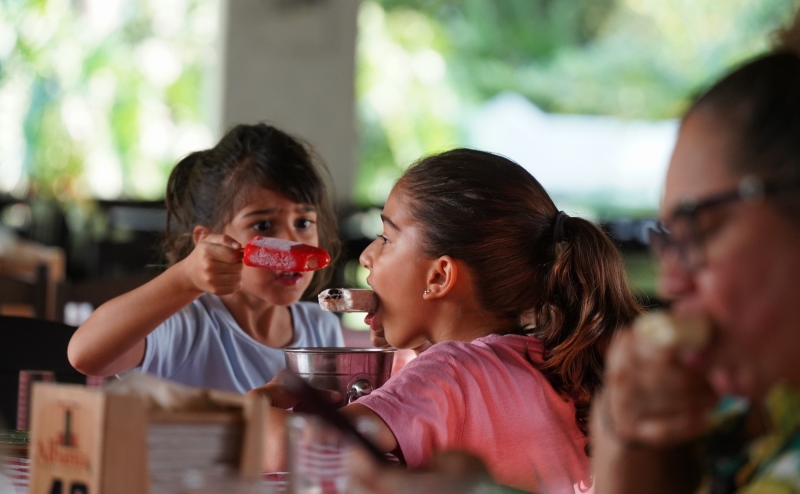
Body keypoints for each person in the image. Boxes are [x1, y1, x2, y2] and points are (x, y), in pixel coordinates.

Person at [257, 148, 642, 493]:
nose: (367, 256)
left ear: (439, 277)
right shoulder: (555, 360)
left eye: (387, 238)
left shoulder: (446, 374)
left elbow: (307, 450)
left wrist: (256, 408)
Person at [590, 11, 800, 493]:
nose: (670, 283)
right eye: (669, 239)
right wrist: (629, 432)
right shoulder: (739, 421)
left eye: (699, 232)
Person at [67, 123, 344, 393]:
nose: (291, 242)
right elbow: (84, 355)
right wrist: (185, 277)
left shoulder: (322, 329)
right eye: (262, 225)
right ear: (207, 241)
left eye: (304, 222)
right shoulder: (187, 325)